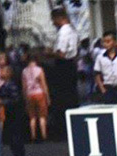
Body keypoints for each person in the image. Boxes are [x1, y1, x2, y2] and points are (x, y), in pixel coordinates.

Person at [49, 8, 79, 137]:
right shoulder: (73, 31)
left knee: (62, 98)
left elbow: (61, 53)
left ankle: (62, 129)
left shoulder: (63, 32)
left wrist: (49, 53)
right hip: (72, 64)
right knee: (72, 96)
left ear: (58, 18)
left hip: (63, 66)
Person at [0, 65, 26, 156]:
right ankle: (16, 153)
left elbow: (16, 100)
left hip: (15, 113)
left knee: (15, 134)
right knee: (11, 134)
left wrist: (3, 102)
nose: (0, 73)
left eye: (3, 71)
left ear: (9, 74)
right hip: (9, 114)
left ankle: (18, 154)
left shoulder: (11, 86)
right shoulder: (3, 87)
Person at [93, 30, 117, 105]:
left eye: (108, 41)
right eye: (104, 42)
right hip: (107, 88)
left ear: (115, 42)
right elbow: (97, 75)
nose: (106, 44)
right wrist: (103, 90)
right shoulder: (100, 58)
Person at [21, 51, 50, 143]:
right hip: (39, 93)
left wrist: (25, 98)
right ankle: (43, 135)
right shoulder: (39, 70)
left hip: (29, 94)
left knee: (32, 117)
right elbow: (43, 84)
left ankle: (33, 136)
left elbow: (24, 87)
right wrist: (47, 97)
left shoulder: (24, 71)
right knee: (42, 116)